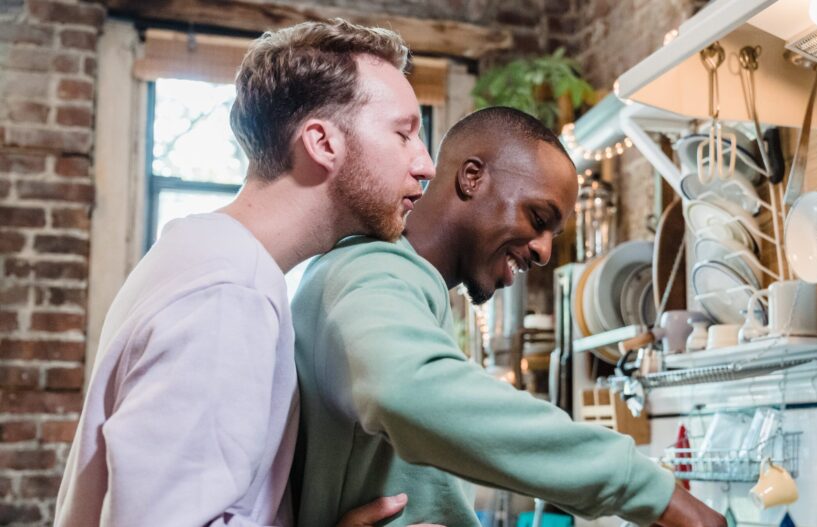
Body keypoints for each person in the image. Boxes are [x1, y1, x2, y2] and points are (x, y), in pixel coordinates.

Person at [54, 19, 435, 526]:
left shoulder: (205, 259)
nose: (426, 165)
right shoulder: (228, 294)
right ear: (322, 143)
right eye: (403, 134)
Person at [291, 107, 725, 527]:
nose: (544, 251)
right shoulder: (369, 268)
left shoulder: (409, 288)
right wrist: (650, 491)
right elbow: (403, 389)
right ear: (472, 177)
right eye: (538, 218)